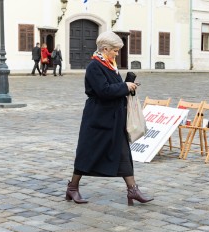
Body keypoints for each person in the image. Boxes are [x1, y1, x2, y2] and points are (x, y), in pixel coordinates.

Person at [65, 30, 153, 206]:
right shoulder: (94, 66)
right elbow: (103, 91)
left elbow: (114, 87)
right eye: (115, 50)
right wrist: (124, 86)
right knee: (88, 153)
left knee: (123, 153)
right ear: (105, 49)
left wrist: (129, 87)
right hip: (98, 119)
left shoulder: (109, 64)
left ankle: (132, 190)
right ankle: (72, 187)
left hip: (114, 118)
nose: (117, 53)